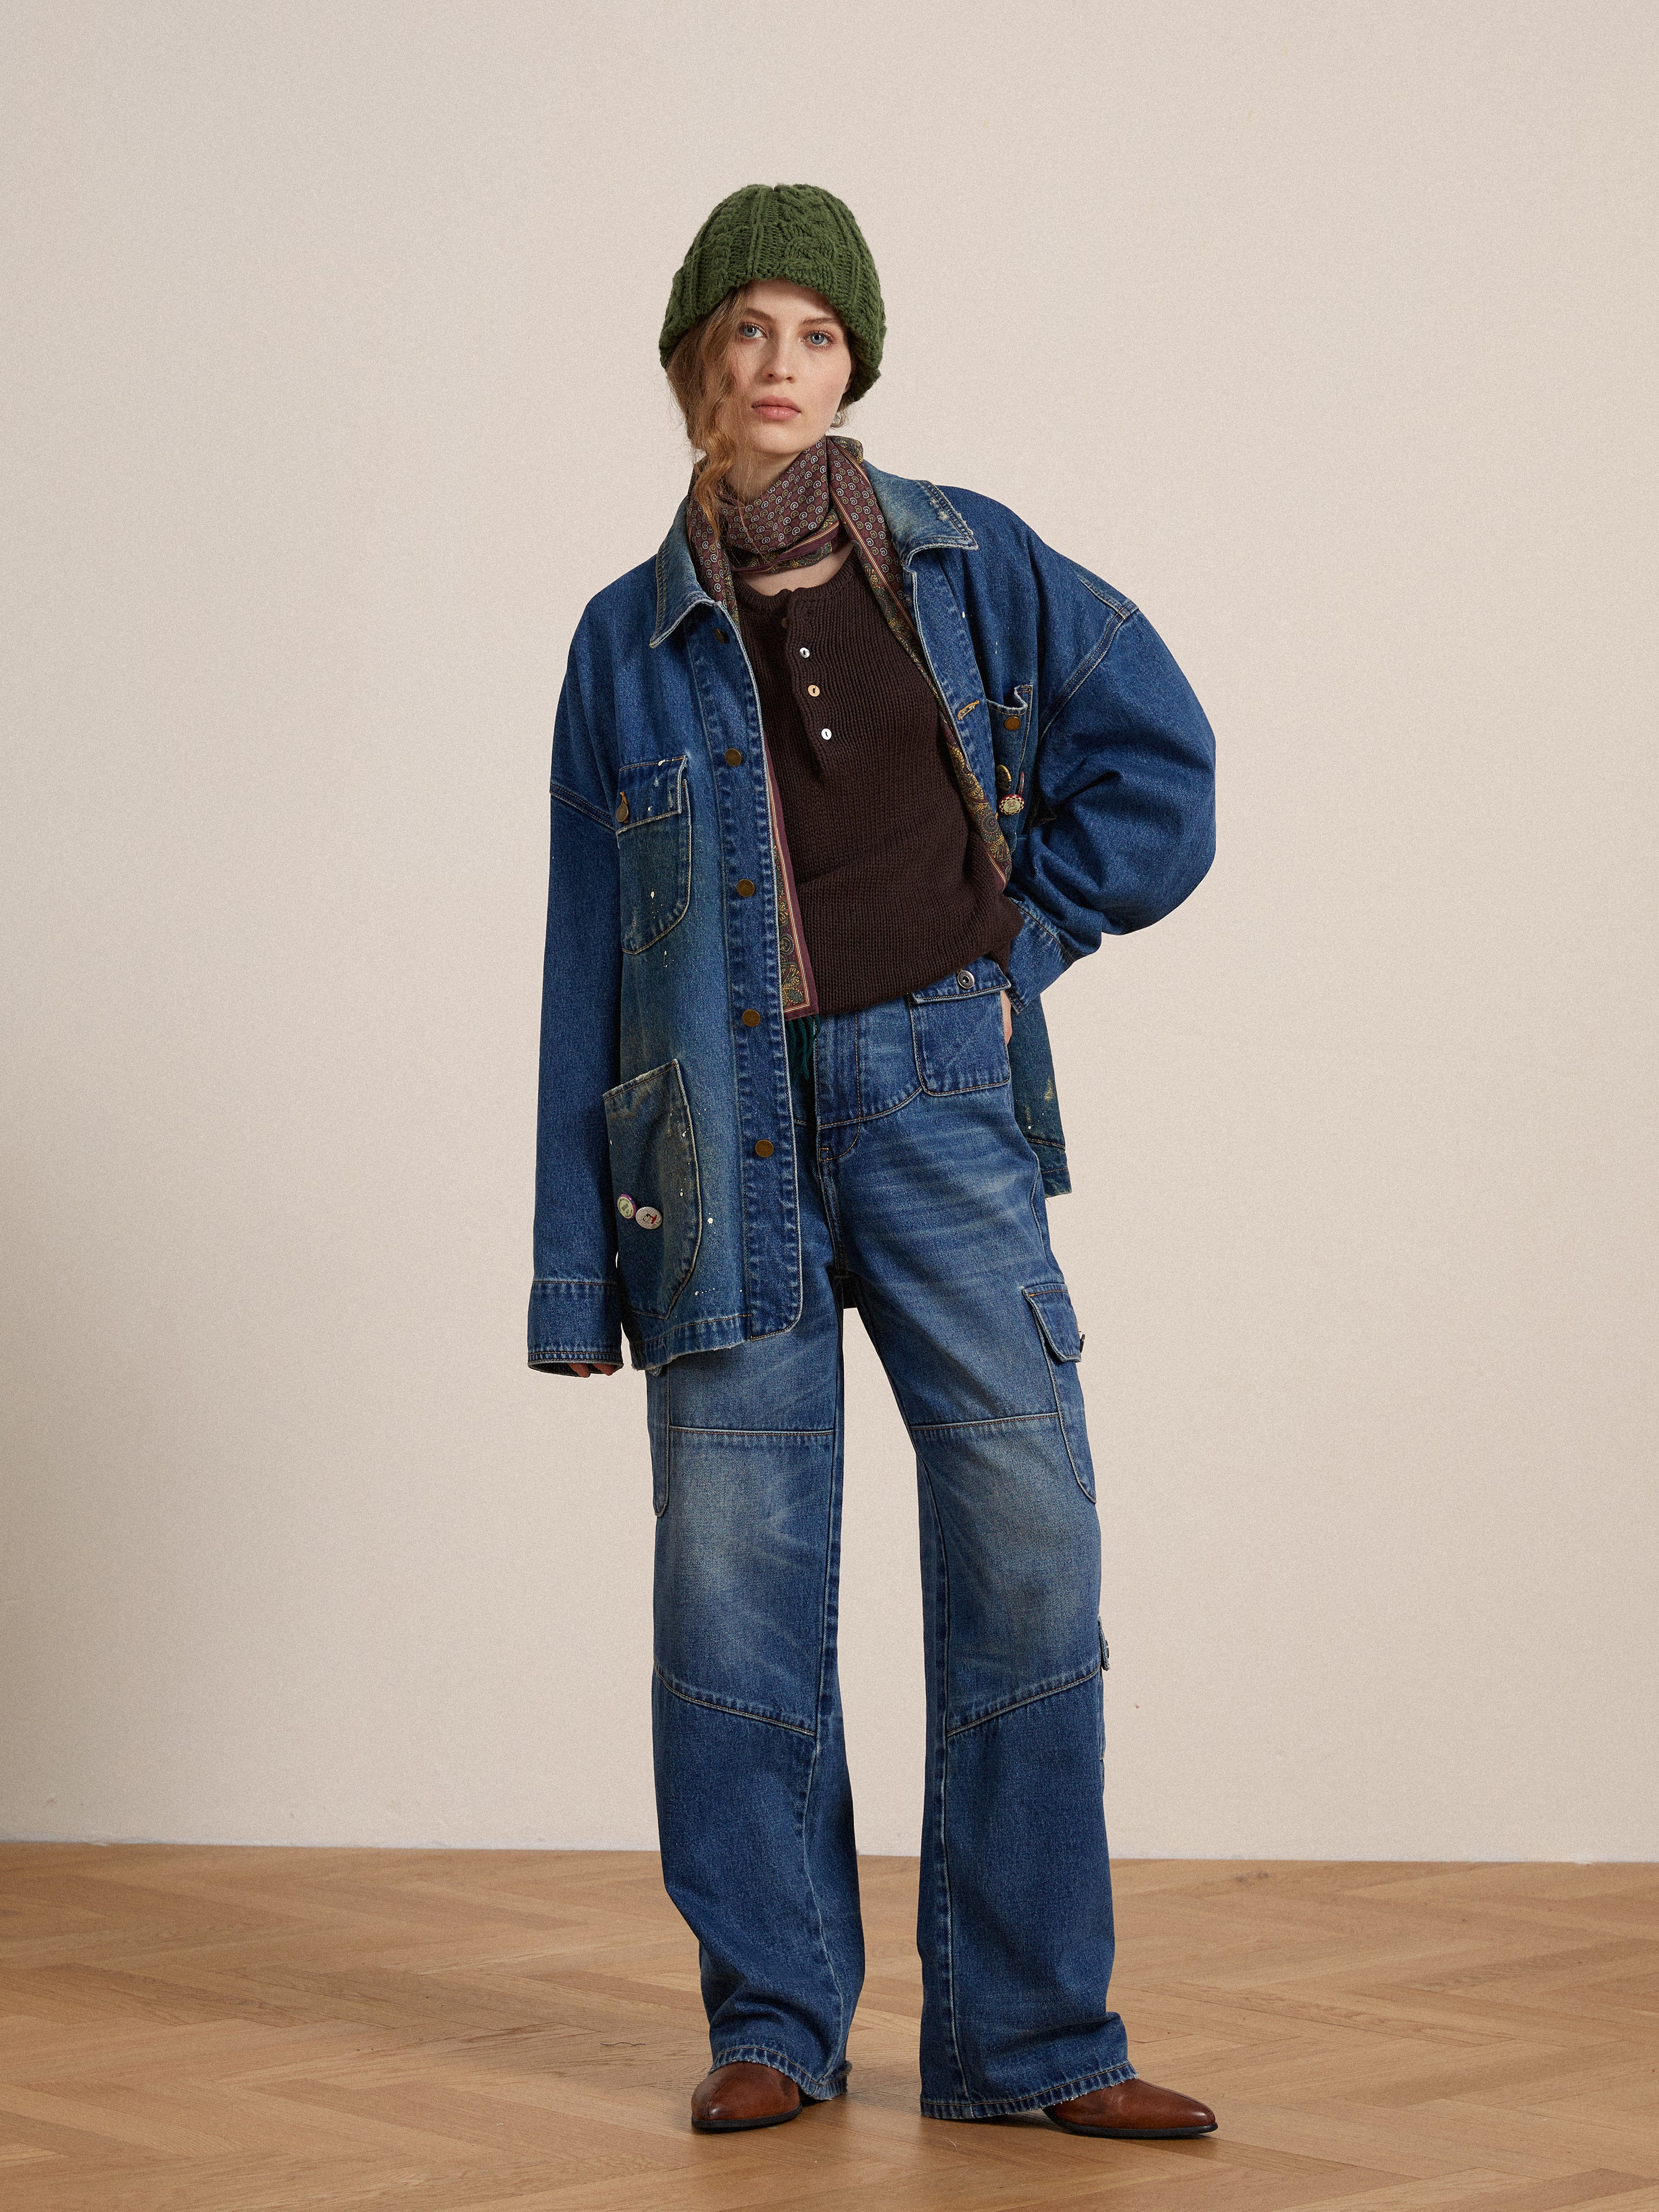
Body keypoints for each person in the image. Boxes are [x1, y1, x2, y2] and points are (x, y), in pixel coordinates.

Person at [529, 183, 1218, 2141]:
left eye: (812, 334)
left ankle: (1032, 2040)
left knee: (1029, 1542)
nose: (776, 367)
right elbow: (587, 967)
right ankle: (774, 2021)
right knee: (735, 1586)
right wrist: (577, 1271)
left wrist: (1030, 942)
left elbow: (1161, 761)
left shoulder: (976, 564)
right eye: (742, 333)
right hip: (715, 1144)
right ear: (691, 368)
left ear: (854, 366)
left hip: (943, 1105)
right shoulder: (622, 646)